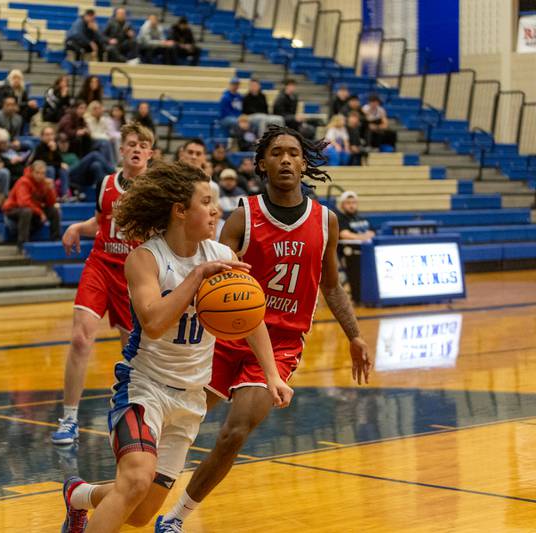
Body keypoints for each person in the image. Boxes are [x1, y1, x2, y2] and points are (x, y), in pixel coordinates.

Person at [155, 125, 372, 532]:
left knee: (235, 432)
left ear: (304, 163)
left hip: (281, 345)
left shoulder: (326, 221)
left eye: (293, 153)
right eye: (276, 153)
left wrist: (355, 335)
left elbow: (330, 285)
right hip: (226, 337)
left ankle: (176, 518)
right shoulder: (242, 216)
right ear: (262, 164)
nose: (286, 159)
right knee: (175, 423)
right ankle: (131, 490)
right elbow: (215, 278)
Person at [61, 160, 291, 532]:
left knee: (137, 514)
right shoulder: (146, 259)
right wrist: (198, 276)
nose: (216, 209)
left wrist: (272, 375)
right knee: (135, 480)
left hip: (190, 399)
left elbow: (251, 318)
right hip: (143, 388)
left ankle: (78, 496)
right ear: (180, 211)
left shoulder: (224, 256)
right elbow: (153, 322)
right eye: (206, 201)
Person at [51, 123, 154, 445]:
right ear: (121, 150)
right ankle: (69, 418)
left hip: (133, 275)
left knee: (133, 353)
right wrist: (76, 228)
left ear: (150, 153)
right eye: (132, 144)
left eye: (143, 145)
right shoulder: (107, 183)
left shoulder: (156, 192)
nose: (137, 149)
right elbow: (101, 222)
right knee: (81, 339)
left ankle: (138, 413)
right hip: (99, 265)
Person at [3, 161, 60, 251]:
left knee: (54, 210)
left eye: (43, 173)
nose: (40, 176)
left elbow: (51, 203)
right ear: (32, 172)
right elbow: (23, 202)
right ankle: (23, 244)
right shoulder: (23, 181)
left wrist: (51, 189)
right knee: (27, 211)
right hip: (13, 210)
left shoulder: (44, 182)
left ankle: (56, 239)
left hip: (32, 211)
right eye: (37, 173)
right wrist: (40, 213)